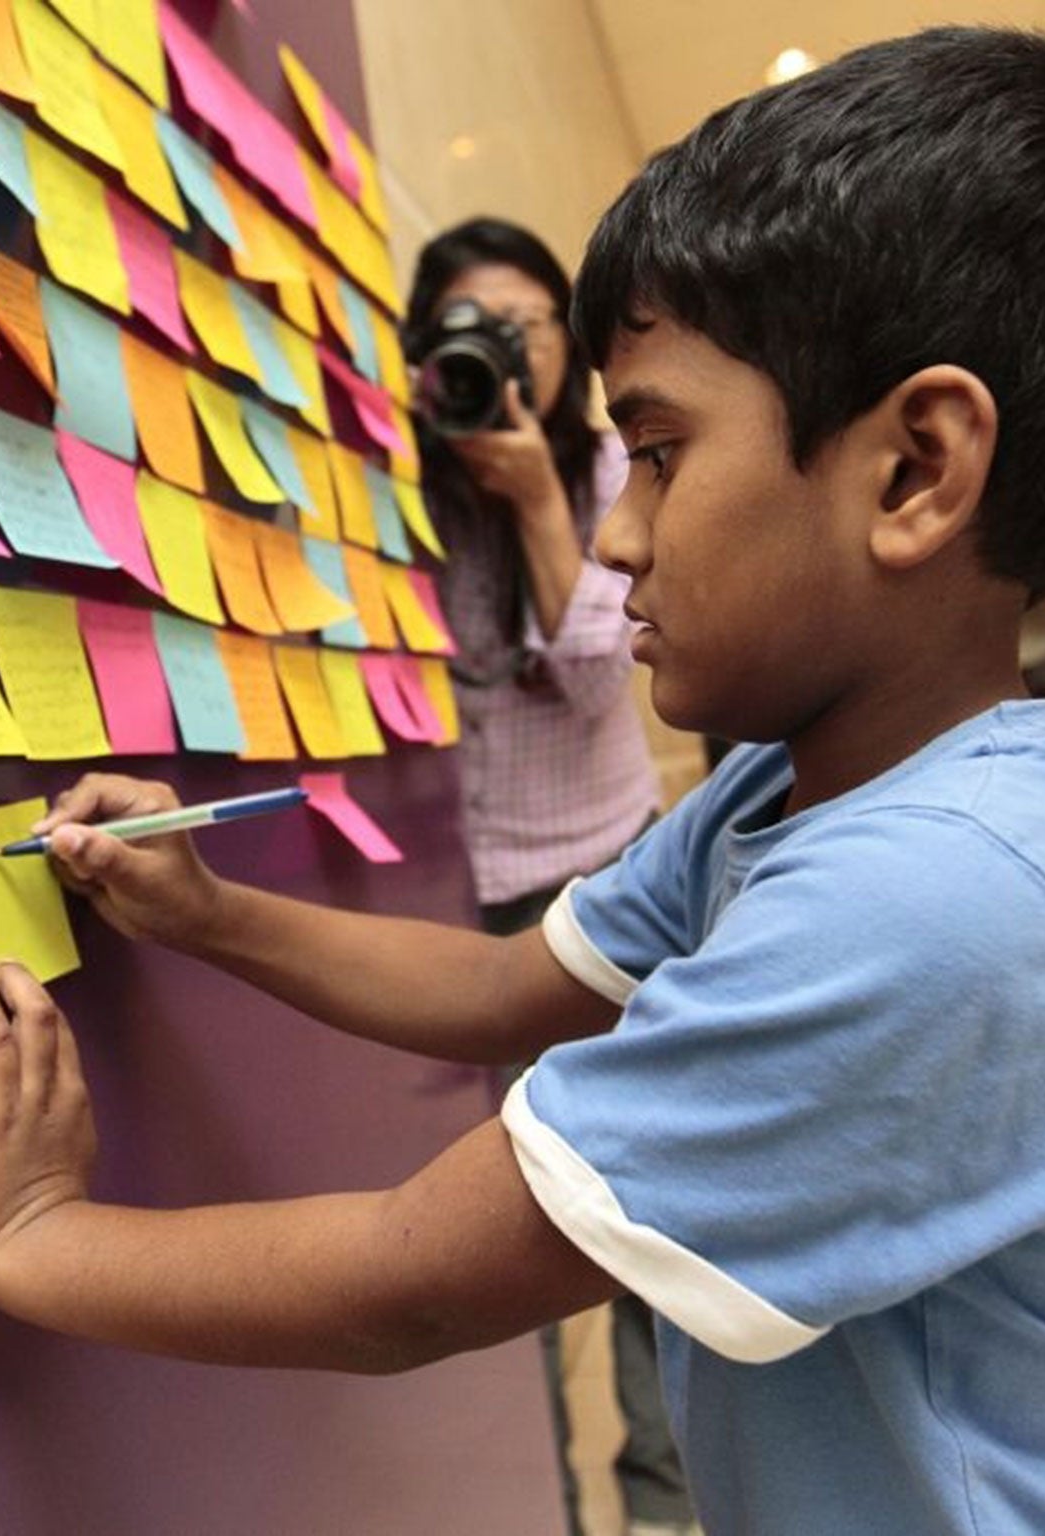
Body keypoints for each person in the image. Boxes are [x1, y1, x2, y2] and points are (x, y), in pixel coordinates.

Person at [0, 30, 1045, 1533]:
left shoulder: (942, 895)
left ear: (914, 471)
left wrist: (40, 1236)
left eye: (663, 455)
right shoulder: (793, 788)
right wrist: (207, 911)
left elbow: (411, 1281)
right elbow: (503, 991)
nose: (618, 539)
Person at [403, 218, 686, 1536]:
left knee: (637, 1214)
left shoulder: (610, 467)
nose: (500, 353)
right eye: (472, 329)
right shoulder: (391, 490)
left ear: (567, 345)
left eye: (527, 326)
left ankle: (667, 1507)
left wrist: (528, 496)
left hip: (608, 880)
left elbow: (596, 671)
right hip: (459, 914)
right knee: (495, 1238)